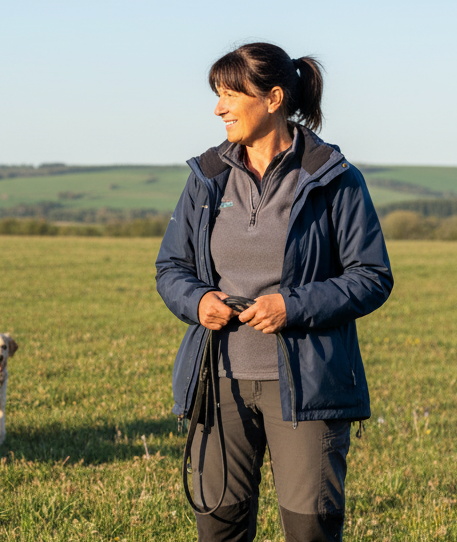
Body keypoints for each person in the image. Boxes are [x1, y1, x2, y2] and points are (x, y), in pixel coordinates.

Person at [155, 42, 393, 541]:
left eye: (229, 94)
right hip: (218, 381)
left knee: (310, 532)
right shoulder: (207, 178)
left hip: (308, 389)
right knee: (219, 530)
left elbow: (371, 276)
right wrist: (197, 301)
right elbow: (171, 266)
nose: (218, 107)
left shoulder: (335, 179)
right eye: (216, 94)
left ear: (273, 98)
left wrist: (292, 306)